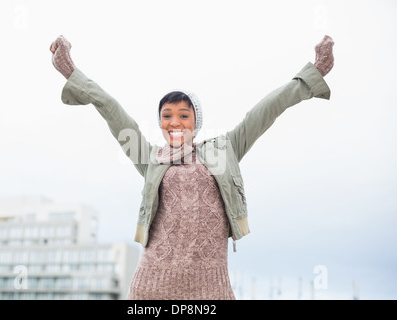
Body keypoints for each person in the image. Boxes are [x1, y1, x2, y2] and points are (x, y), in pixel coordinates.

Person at [50, 35, 334, 300]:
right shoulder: (150, 158)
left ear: (195, 122)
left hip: (211, 288)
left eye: (183, 115)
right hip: (152, 285)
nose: (174, 122)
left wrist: (313, 72)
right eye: (167, 116)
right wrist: (71, 72)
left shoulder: (225, 150)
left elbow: (268, 108)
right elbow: (111, 109)